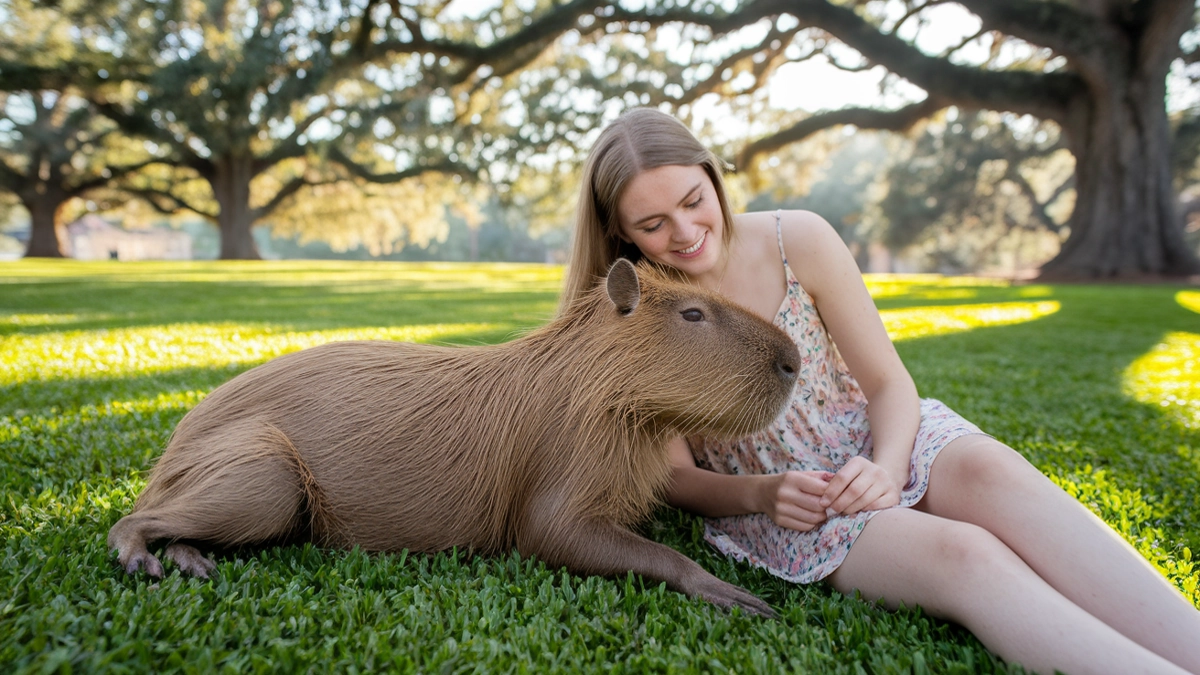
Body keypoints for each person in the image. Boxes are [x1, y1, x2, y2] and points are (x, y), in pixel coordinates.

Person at [559, 107, 1200, 675]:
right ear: (620, 233)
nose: (683, 231)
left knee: (991, 467)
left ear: (713, 175)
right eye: (652, 223)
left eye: (694, 200)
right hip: (789, 500)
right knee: (965, 554)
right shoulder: (635, 315)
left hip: (880, 437)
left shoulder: (796, 238)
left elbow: (890, 384)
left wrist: (890, 468)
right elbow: (671, 477)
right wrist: (765, 493)